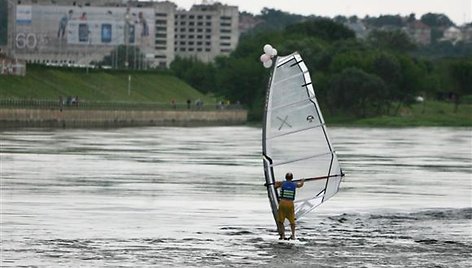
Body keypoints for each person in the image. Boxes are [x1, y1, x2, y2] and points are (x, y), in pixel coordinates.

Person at [274, 172, 304, 240]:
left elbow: (275, 186)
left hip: (282, 203)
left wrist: (276, 183)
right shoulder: (294, 184)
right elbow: (301, 185)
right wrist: (302, 181)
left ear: (286, 177)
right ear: (292, 178)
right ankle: (293, 235)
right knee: (292, 221)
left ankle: (283, 235)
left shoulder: (282, 183)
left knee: (280, 221)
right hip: (290, 203)